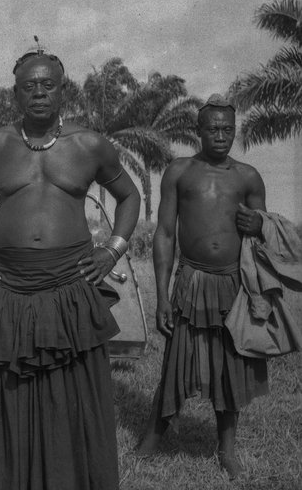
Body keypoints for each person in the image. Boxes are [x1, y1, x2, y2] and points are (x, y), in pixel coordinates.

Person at [0, 49, 141, 490]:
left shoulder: (90, 144)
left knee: (73, 393)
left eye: (48, 84)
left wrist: (112, 249)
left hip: (69, 283)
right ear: (15, 92)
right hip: (9, 285)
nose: (38, 92)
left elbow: (129, 197)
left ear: (64, 89)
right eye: (29, 85)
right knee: (8, 394)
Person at [135, 95, 268, 479]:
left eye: (228, 128)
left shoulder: (248, 177)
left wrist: (259, 226)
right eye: (213, 128)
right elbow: (163, 234)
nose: (221, 135)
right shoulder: (180, 171)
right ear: (199, 131)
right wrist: (161, 295)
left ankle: (226, 449)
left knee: (231, 363)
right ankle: (151, 439)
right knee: (177, 359)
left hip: (233, 282)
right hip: (191, 280)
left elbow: (264, 237)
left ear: (235, 130)